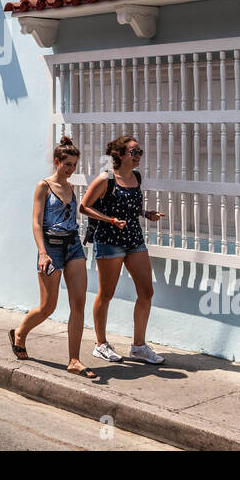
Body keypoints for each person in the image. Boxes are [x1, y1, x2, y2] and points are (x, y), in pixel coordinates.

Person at [9, 136, 97, 379]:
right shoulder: (44, 186)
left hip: (73, 247)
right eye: (67, 164)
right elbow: (36, 223)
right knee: (48, 306)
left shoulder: (71, 188)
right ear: (56, 161)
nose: (71, 169)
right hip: (51, 249)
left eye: (74, 165)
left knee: (78, 303)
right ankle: (20, 333)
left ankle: (74, 360)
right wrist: (42, 253)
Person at [83, 134, 166, 365]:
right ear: (120, 155)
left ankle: (139, 346)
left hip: (134, 239)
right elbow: (84, 207)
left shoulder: (136, 177)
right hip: (110, 240)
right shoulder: (105, 178)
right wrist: (110, 220)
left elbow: (132, 206)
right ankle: (100, 345)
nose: (138, 156)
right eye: (134, 152)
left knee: (146, 292)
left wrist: (147, 214)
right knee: (106, 294)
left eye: (140, 152)